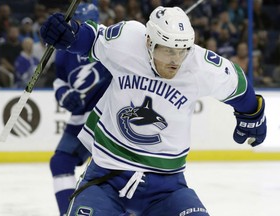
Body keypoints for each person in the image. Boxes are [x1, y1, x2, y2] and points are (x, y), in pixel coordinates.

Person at [40, 6, 267, 216]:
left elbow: (238, 84)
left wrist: (253, 113)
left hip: (167, 190)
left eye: (182, 51)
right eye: (168, 51)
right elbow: (89, 40)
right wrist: (68, 35)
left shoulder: (200, 65)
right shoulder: (127, 40)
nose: (176, 61)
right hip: (105, 179)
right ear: (149, 42)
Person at [48, 3, 112, 215]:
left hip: (108, 119)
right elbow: (59, 81)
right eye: (81, 25)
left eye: (90, 25)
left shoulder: (110, 45)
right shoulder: (64, 51)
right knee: (60, 163)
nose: (84, 29)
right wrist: (65, 95)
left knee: (115, 172)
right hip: (79, 119)